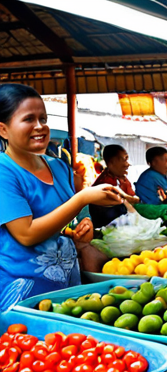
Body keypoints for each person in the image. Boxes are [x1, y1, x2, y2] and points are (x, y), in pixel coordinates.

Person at [0, 83, 122, 302]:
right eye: (29, 119)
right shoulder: (4, 171)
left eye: (43, 119)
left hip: (67, 289)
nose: (40, 127)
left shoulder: (59, 167)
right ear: (3, 129)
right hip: (22, 293)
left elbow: (70, 219)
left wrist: (81, 228)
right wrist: (82, 198)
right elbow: (26, 234)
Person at [90, 144, 139, 228]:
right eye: (124, 160)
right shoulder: (104, 183)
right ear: (111, 163)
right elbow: (131, 201)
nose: (128, 164)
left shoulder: (122, 179)